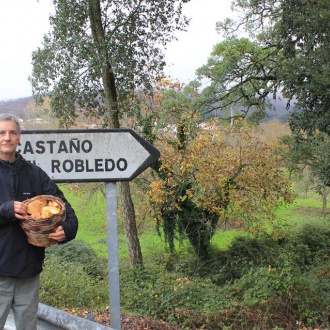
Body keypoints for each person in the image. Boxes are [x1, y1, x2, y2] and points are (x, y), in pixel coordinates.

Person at [0, 113, 78, 330]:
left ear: (19, 138)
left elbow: (64, 206)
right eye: (2, 132)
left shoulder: (35, 174)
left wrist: (68, 230)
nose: (7, 137)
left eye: (12, 133)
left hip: (28, 271)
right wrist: (5, 209)